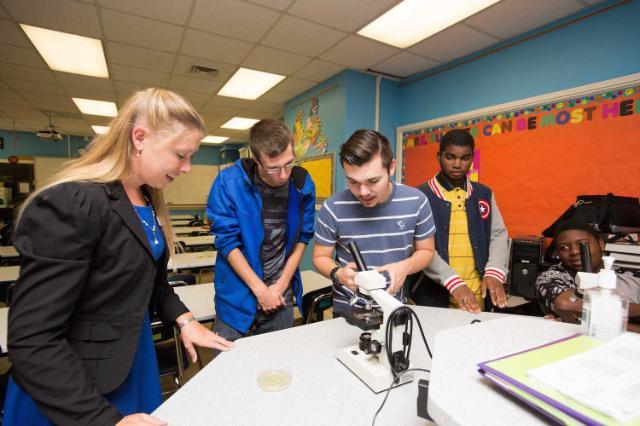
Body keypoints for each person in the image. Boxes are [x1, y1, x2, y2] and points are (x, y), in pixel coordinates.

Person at [4, 88, 233, 426]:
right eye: (181, 155)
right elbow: (33, 338)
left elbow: (149, 281)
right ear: (140, 138)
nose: (187, 168)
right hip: (76, 390)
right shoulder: (74, 202)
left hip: (129, 357)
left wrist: (185, 320)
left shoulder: (145, 197)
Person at [206, 119, 315, 350]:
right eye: (273, 168)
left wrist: (279, 286)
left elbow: (303, 238)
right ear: (256, 160)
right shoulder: (228, 183)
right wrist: (260, 290)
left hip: (279, 295)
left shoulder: (301, 184)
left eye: (288, 163)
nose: (284, 175)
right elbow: (227, 242)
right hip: (237, 295)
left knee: (278, 367)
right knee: (229, 372)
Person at [313, 129, 436, 315]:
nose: (363, 192)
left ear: (391, 167)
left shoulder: (417, 201)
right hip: (348, 310)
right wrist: (338, 273)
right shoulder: (333, 207)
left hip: (394, 307)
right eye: (353, 182)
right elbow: (320, 257)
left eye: (373, 181)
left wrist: (405, 267)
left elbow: (426, 251)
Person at [412, 128, 509, 313]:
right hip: (434, 299)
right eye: (450, 157)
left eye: (465, 158)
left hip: (478, 297)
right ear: (438, 156)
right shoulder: (419, 196)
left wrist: (494, 271)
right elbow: (419, 246)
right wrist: (453, 282)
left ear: (472, 158)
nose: (457, 164)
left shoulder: (484, 194)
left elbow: (498, 234)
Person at [536, 220, 640, 328]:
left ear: (601, 244)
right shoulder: (552, 277)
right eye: (564, 248)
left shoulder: (631, 275)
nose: (574, 252)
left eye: (582, 244)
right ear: (557, 253)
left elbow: (580, 313)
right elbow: (566, 305)